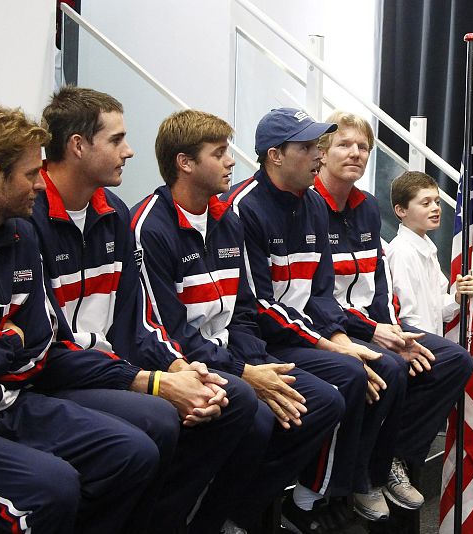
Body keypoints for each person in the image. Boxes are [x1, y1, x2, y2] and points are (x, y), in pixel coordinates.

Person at [33, 87, 258, 533]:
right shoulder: (31, 218)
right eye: (116, 139)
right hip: (58, 379)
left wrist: (181, 369)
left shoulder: (112, 212)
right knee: (158, 421)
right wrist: (153, 382)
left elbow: (139, 320)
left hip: (113, 367)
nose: (129, 151)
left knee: (231, 399)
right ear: (78, 146)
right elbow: (49, 348)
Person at [0, 103, 164, 533]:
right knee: (53, 486)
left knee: (133, 452)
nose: (38, 184)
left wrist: (2, 347)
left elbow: (39, 343)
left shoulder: (21, 233)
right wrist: (9, 342)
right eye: (31, 174)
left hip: (14, 400)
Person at [130, 109, 344, 531]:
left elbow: (243, 311)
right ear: (185, 163)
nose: (231, 161)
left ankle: (234, 516)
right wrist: (244, 373)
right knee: (256, 416)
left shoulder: (227, 220)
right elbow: (169, 331)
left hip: (232, 356)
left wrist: (256, 363)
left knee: (324, 402)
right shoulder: (150, 226)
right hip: (183, 363)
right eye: (219, 153)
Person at [223, 107, 409, 531]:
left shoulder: (312, 204)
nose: (318, 155)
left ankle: (330, 491)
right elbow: (258, 305)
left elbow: (321, 294)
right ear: (275, 156)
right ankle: (303, 500)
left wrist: (340, 337)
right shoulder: (243, 208)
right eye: (308, 148)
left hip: (301, 332)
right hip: (264, 339)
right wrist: (330, 343)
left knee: (385, 367)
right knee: (349, 376)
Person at [314, 111, 473, 510]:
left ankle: (391, 458)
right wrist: (376, 332)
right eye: (344, 145)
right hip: (329, 327)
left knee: (455, 360)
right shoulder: (309, 205)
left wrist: (391, 329)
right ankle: (362, 476)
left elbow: (379, 286)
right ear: (322, 152)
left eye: (363, 146)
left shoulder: (367, 207)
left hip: (370, 324)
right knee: (391, 366)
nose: (356, 153)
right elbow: (314, 296)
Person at [386, 171, 473, 337]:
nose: (436, 208)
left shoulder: (428, 248)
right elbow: (406, 318)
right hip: (417, 344)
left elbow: (436, 309)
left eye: (437, 202)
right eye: (426, 203)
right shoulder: (401, 252)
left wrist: (457, 298)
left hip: (431, 342)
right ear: (401, 210)